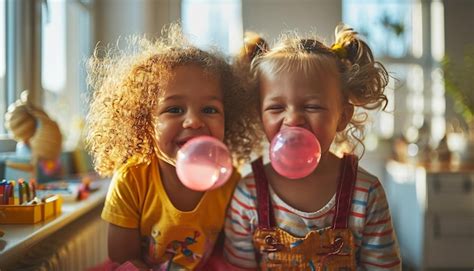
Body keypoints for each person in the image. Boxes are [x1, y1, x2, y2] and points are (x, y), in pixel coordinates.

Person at [224, 26, 402, 270]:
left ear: (342, 116)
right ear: (260, 115)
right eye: (276, 108)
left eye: (312, 107)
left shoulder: (366, 194)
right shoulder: (248, 195)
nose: (293, 119)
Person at [86, 24, 260, 270]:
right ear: (144, 121)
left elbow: (226, 252)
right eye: (174, 109)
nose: (193, 121)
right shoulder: (131, 180)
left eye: (209, 110)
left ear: (228, 119)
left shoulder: (228, 180)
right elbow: (121, 257)